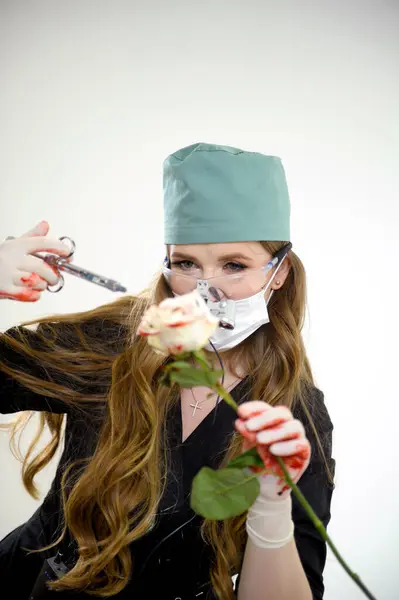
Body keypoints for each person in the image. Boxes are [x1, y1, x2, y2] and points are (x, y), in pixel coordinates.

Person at [0, 142, 335, 600]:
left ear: (278, 273)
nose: (205, 289)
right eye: (185, 264)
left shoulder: (294, 417)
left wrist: (272, 510)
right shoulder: (114, 341)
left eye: (235, 265)